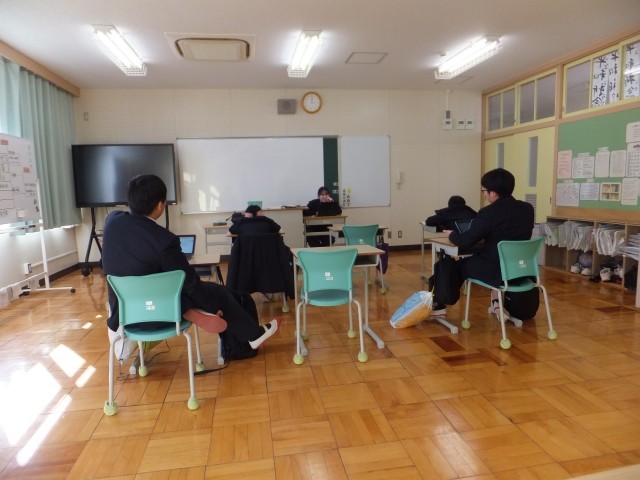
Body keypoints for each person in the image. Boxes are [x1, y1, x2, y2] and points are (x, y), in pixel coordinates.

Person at [102, 174, 280, 357]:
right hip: (159, 314)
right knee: (219, 294)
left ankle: (195, 311)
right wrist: (212, 306)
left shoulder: (112, 221)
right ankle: (251, 334)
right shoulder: (164, 240)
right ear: (160, 205)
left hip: (125, 314)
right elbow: (189, 282)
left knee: (201, 289)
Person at [432, 168, 534, 318]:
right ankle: (496, 302)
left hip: (495, 269)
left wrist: (452, 234)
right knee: (481, 259)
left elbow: (465, 241)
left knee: (454, 266)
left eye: (484, 191)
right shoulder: (527, 209)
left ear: (493, 193)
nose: (484, 194)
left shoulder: (489, 212)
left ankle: (438, 306)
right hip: (522, 268)